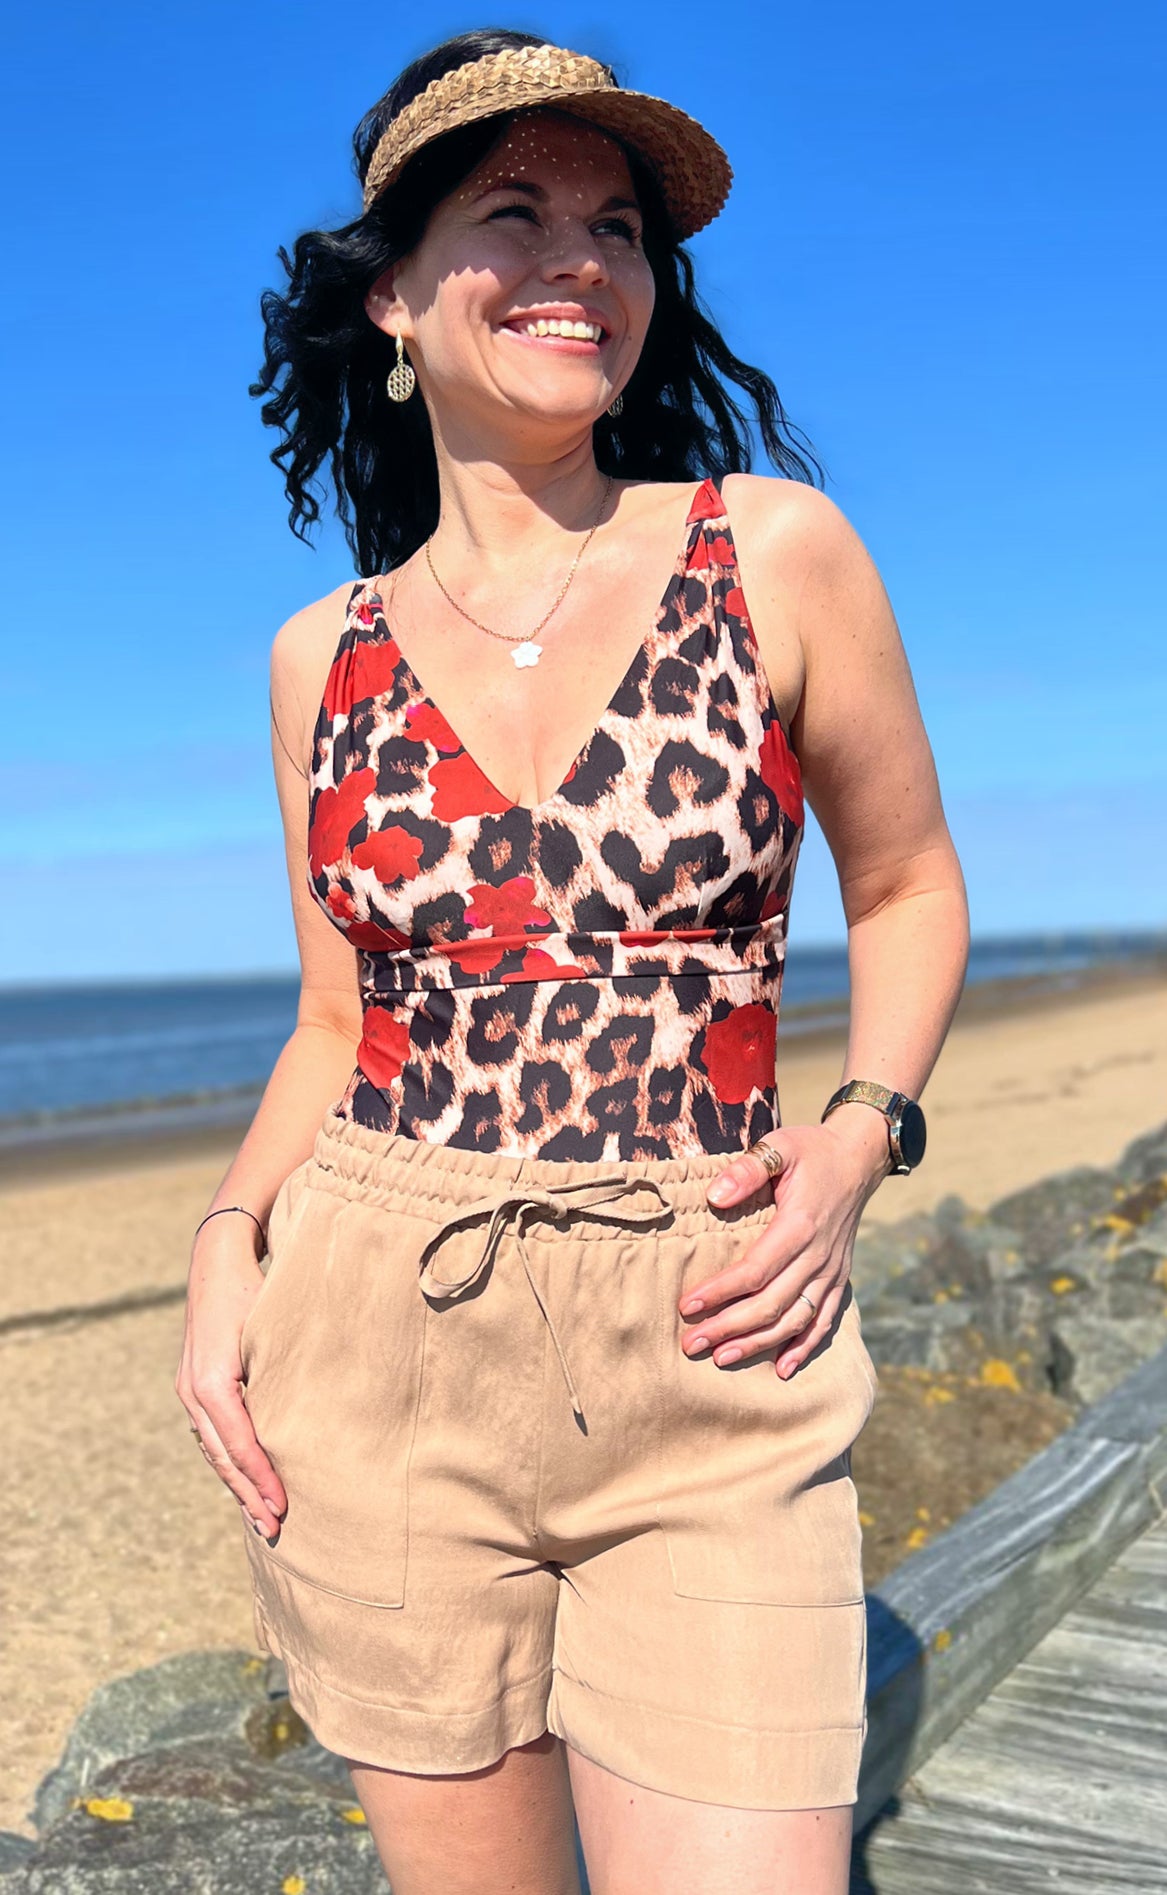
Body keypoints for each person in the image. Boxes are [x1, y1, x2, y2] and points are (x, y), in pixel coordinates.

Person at [176, 27, 969, 1895]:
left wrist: (858, 1138)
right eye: (513, 212)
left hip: (712, 1330)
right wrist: (224, 1247)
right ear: (392, 294)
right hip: (376, 1343)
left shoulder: (774, 552)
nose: (580, 262)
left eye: (617, 228)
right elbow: (336, 1020)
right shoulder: (318, 658)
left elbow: (909, 885)